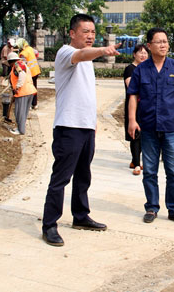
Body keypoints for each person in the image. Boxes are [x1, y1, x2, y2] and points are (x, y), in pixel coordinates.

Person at [41, 13, 121, 247]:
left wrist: (92, 123)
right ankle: (49, 225)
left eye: (93, 32)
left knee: (83, 176)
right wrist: (103, 50)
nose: (90, 36)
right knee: (61, 178)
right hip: (68, 127)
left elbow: (85, 93)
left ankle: (80, 216)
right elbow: (81, 54)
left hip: (85, 127)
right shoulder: (66, 52)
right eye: (85, 31)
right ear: (72, 33)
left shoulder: (88, 61)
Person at [127, 27, 174, 225]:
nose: (163, 45)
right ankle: (151, 208)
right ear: (149, 45)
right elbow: (133, 95)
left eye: (165, 41)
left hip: (171, 128)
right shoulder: (141, 70)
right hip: (148, 128)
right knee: (149, 171)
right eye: (159, 42)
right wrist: (132, 120)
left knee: (173, 171)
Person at [122, 44, 149, 176]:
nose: (143, 55)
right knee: (135, 134)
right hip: (134, 106)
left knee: (144, 134)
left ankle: (134, 160)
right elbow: (132, 86)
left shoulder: (147, 69)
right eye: (140, 53)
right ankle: (137, 164)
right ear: (134, 54)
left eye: (145, 53)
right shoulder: (130, 69)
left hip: (146, 106)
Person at [7, 52, 37, 135]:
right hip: (29, 91)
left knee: (19, 112)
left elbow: (22, 74)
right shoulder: (23, 64)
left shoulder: (17, 65)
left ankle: (20, 131)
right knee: (23, 112)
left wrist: (17, 87)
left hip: (23, 92)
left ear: (10, 61)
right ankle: (21, 128)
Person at [17, 38, 41, 109]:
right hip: (36, 71)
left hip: (30, 73)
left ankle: (29, 104)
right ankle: (34, 104)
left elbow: (23, 65)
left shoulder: (23, 54)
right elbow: (37, 53)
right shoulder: (30, 49)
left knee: (28, 89)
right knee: (34, 88)